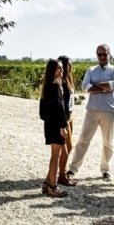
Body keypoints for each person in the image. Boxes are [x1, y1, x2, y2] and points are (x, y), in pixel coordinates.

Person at [66, 44, 114, 181]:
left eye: (104, 54)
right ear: (97, 55)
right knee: (83, 140)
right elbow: (85, 87)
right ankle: (73, 169)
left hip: (109, 110)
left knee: (108, 142)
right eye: (99, 54)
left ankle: (106, 169)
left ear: (109, 54)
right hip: (92, 110)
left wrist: (95, 86)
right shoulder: (91, 70)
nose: (102, 57)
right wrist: (104, 87)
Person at [38, 58, 69, 197]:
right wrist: (62, 126)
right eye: (59, 68)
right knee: (56, 155)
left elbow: (43, 112)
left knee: (57, 154)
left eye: (62, 68)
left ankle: (47, 183)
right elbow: (59, 108)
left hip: (50, 124)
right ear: (53, 70)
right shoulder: (55, 86)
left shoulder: (47, 86)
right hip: (56, 125)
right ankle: (52, 186)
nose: (62, 70)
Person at [57, 56, 77, 186]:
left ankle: (61, 172)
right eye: (69, 65)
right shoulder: (61, 82)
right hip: (64, 119)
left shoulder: (68, 79)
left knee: (67, 147)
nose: (71, 67)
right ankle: (61, 175)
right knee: (67, 146)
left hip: (70, 118)